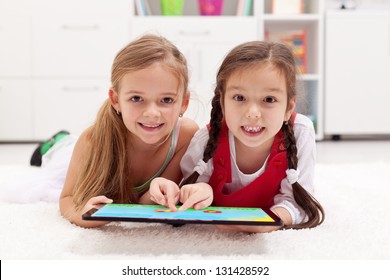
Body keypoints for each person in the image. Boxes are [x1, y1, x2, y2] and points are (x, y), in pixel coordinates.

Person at [150, 40, 325, 233]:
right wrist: (200, 192)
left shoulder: (300, 131)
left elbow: (300, 203)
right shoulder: (206, 140)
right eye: (239, 98)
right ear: (222, 102)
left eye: (269, 99)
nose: (252, 113)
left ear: (288, 108)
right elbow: (188, 191)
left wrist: (271, 221)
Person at [59, 34, 199, 228]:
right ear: (115, 100)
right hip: (74, 154)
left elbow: (145, 202)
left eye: (166, 100)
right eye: (136, 98)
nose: (152, 113)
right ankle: (56, 141)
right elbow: (67, 197)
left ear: (184, 103)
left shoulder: (186, 135)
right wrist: (80, 215)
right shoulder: (91, 140)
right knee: (55, 160)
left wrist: (157, 193)